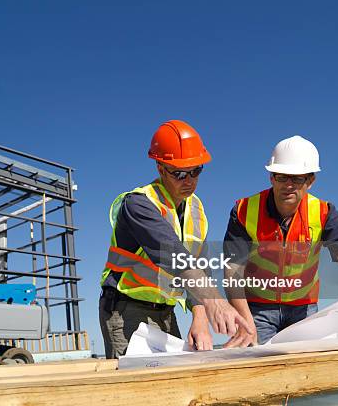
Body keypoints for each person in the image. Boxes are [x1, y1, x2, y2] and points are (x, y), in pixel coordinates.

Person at [223, 135, 338, 346]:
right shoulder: (243, 210)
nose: (289, 185)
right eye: (282, 177)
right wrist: (243, 318)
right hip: (257, 309)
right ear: (271, 177)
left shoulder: (324, 213)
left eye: (297, 179)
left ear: (310, 181)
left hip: (304, 309)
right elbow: (233, 268)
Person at [99, 120, 249, 359]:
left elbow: (200, 268)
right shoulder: (139, 204)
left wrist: (200, 318)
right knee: (137, 387)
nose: (188, 180)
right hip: (126, 307)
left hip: (166, 310)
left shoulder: (196, 210)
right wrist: (215, 302)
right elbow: (173, 255)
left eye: (195, 171)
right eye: (179, 173)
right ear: (160, 168)